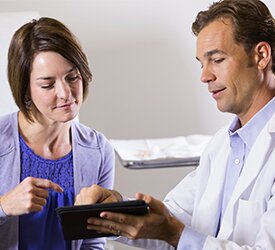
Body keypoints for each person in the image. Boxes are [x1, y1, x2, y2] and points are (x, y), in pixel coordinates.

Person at [75, 0, 275, 249]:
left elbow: (175, 232)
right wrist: (116, 209)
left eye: (217, 59)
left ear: (261, 55)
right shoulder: (222, 146)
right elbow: (169, 220)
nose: (205, 76)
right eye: (201, 63)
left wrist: (174, 233)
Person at [0, 17, 115, 250]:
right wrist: (4, 207)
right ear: (25, 89)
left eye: (72, 77)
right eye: (47, 84)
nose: (66, 93)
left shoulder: (99, 150)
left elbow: (93, 242)